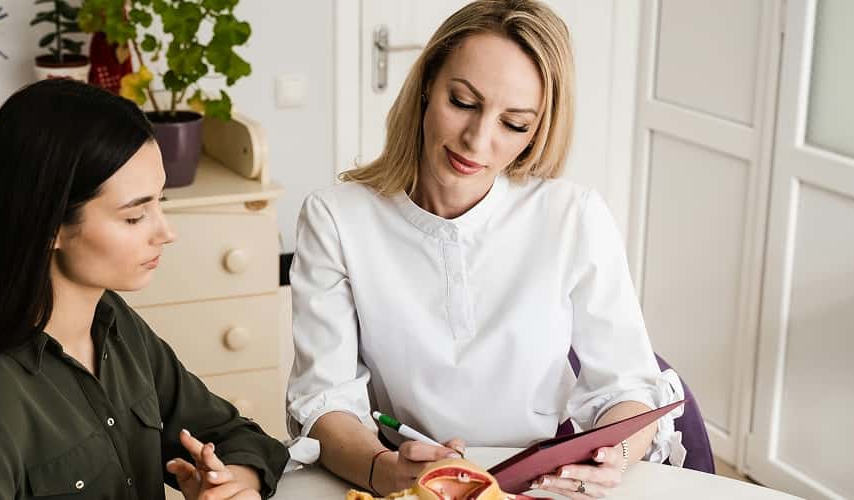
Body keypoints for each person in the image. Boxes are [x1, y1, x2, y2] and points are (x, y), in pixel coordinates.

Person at [286, 1, 681, 498]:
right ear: (428, 83)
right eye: (463, 102)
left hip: (547, 483)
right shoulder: (337, 218)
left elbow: (627, 388)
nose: (477, 141)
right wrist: (383, 468)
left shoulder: (573, 216)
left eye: (514, 124)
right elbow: (323, 400)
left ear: (538, 128)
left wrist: (614, 455)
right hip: (404, 479)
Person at [0, 79, 288, 500]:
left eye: (161, 203)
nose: (165, 232)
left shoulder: (116, 326)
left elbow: (237, 435)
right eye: (135, 216)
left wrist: (230, 485)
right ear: (50, 227)